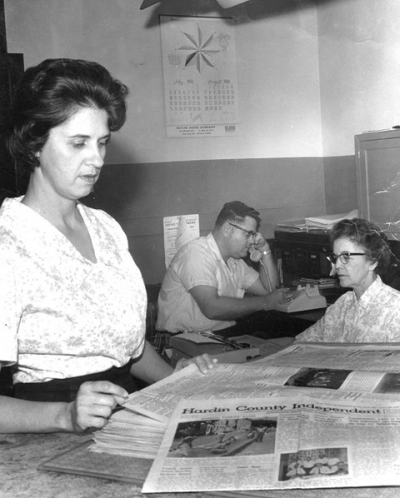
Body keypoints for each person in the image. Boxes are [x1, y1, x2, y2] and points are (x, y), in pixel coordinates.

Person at [0, 58, 216, 434]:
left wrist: (173, 379)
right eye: (78, 143)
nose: (97, 159)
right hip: (41, 434)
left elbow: (123, 348)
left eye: (102, 142)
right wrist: (63, 416)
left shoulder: (106, 229)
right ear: (34, 144)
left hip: (127, 418)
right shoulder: (9, 242)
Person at [156, 200, 296, 337]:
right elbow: (211, 308)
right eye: (248, 234)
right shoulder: (196, 253)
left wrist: (265, 251)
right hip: (183, 339)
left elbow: (269, 291)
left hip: (219, 336)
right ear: (227, 229)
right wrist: (265, 302)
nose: (252, 241)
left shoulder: (234, 261)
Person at [296, 218, 400, 343]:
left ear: (372, 262)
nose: (337, 265)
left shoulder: (395, 310)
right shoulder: (342, 304)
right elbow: (301, 343)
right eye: (336, 257)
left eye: (346, 256)